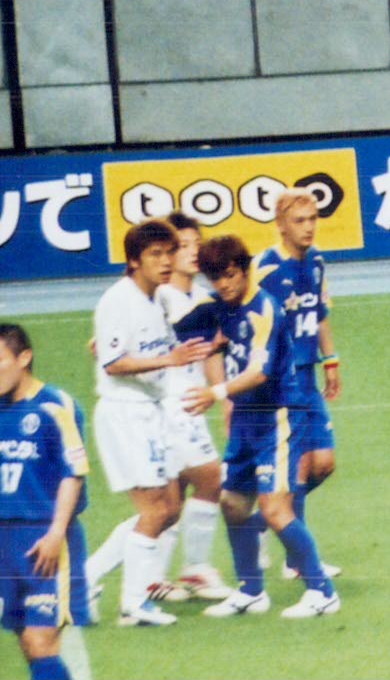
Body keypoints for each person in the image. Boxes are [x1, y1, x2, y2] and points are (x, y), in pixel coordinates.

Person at [180, 235, 340, 619]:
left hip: (277, 417)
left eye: (230, 275)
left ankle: (322, 591)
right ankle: (251, 591)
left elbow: (258, 372)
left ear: (244, 270)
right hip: (246, 420)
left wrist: (216, 392)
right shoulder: (217, 304)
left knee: (274, 508)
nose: (223, 284)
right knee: (233, 504)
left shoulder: (264, 309)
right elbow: (178, 329)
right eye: (215, 278)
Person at [86, 212, 232, 605]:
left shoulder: (164, 297)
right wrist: (169, 359)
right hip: (138, 411)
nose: (170, 259)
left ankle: (100, 581)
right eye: (160, 253)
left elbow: (184, 337)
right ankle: (142, 594)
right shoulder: (126, 298)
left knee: (167, 507)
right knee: (171, 501)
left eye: (174, 250)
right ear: (136, 260)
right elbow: (112, 359)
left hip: (155, 407)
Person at [251, 189, 342, 580]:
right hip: (280, 383)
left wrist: (331, 360)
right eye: (300, 221)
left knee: (324, 463)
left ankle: (268, 517)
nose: (308, 228)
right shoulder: (265, 269)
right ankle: (299, 560)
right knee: (300, 466)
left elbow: (319, 313)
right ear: (281, 225)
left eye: (313, 219)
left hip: (308, 377)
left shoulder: (316, 261)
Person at [0, 323, 93, 680]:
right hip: (5, 541)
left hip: (46, 539)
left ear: (24, 358)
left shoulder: (55, 406)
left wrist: (56, 533)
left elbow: (73, 472)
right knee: (29, 643)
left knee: (41, 640)